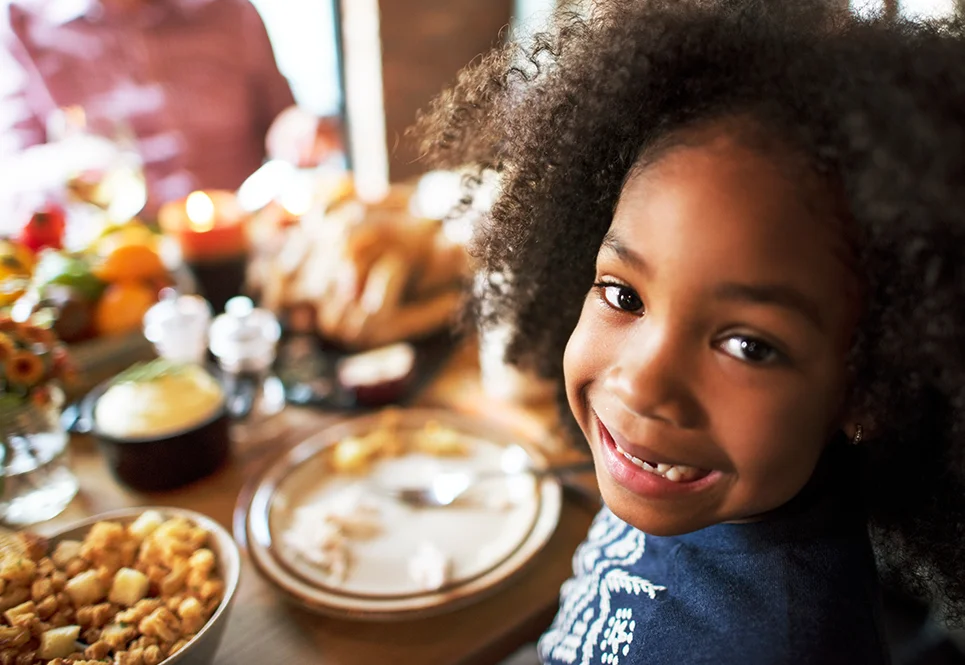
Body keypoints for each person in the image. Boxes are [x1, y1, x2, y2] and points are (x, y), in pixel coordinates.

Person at [415, 0, 965, 663]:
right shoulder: (697, 485)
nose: (642, 381)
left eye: (747, 345)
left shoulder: (762, 644)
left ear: (869, 388)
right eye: (623, 295)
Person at [0, 0, 340, 217]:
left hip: (242, 249)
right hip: (114, 278)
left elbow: (281, 120)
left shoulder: (230, 11)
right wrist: (71, 166)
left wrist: (300, 131)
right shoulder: (21, 25)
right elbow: (11, 176)